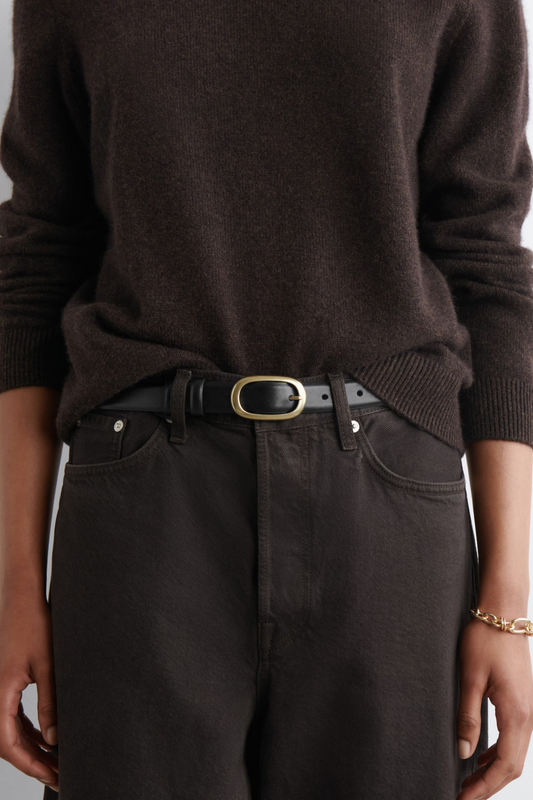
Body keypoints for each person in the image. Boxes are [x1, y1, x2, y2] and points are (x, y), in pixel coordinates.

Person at [0, 0, 533, 797]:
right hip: (144, 510)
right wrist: (14, 590)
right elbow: (38, 257)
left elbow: (484, 259)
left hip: (387, 511)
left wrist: (507, 607)